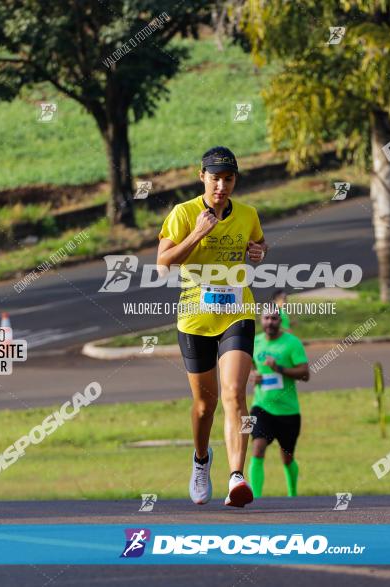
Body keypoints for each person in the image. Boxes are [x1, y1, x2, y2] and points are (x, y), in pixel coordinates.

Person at [157, 146, 268, 508]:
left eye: (229, 179)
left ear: (235, 180)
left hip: (237, 312)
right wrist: (196, 235)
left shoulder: (248, 214)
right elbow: (163, 265)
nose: (221, 186)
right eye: (215, 178)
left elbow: (259, 242)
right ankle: (202, 460)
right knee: (206, 405)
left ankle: (237, 476)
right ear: (201, 176)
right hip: (195, 317)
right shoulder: (183, 213)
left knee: (235, 393)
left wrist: (258, 252)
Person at [247, 307, 310, 497]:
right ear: (261, 320)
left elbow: (305, 373)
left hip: (288, 412)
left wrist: (279, 368)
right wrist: (252, 375)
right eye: (266, 318)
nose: (270, 322)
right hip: (261, 406)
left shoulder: (292, 343)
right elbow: (248, 366)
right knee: (257, 449)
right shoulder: (254, 342)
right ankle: (255, 498)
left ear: (280, 321)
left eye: (274, 318)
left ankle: (293, 495)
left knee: (287, 458)